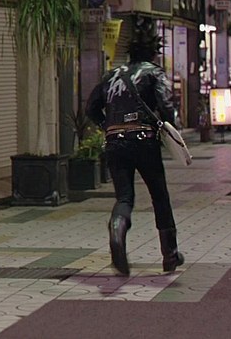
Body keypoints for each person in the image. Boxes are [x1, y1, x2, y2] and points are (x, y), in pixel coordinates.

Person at [85, 25, 184, 276]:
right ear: (153, 53)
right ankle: (170, 254)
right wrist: (170, 126)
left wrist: (107, 125)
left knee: (124, 197)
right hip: (144, 139)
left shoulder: (111, 75)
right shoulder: (154, 73)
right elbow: (166, 106)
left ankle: (117, 228)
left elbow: (91, 108)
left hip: (115, 141)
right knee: (159, 195)